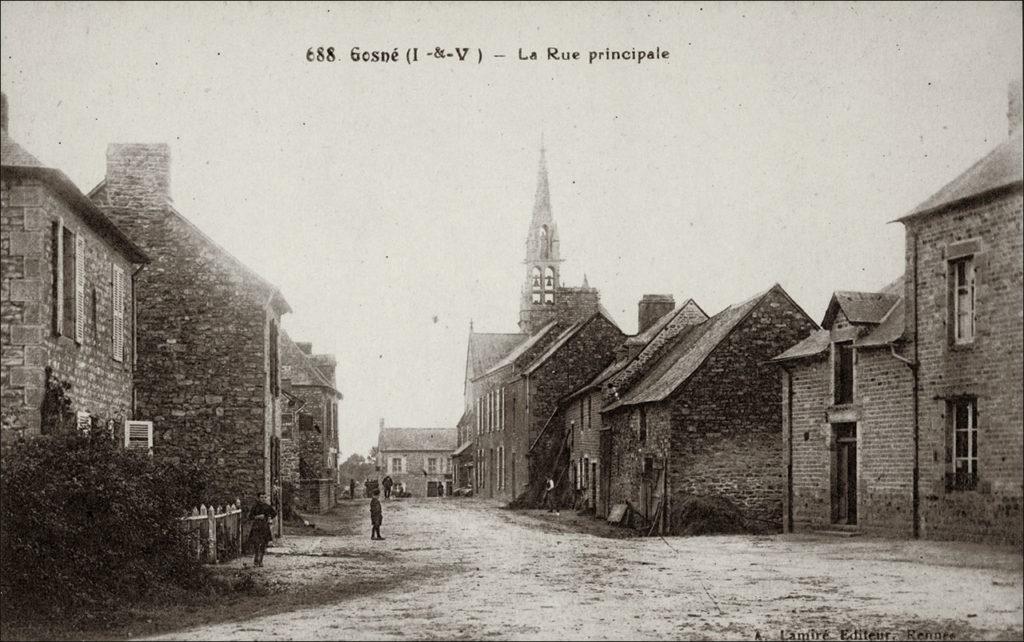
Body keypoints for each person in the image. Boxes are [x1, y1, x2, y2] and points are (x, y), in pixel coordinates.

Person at [248, 491, 277, 567]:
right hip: (256, 527)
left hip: (265, 527)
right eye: (261, 497)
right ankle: (256, 560)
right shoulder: (255, 506)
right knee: (256, 543)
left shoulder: (267, 506)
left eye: (265, 497)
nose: (263, 499)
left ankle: (261, 561)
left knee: (264, 544)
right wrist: (257, 517)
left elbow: (274, 514)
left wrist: (270, 519)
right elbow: (250, 516)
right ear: (258, 498)